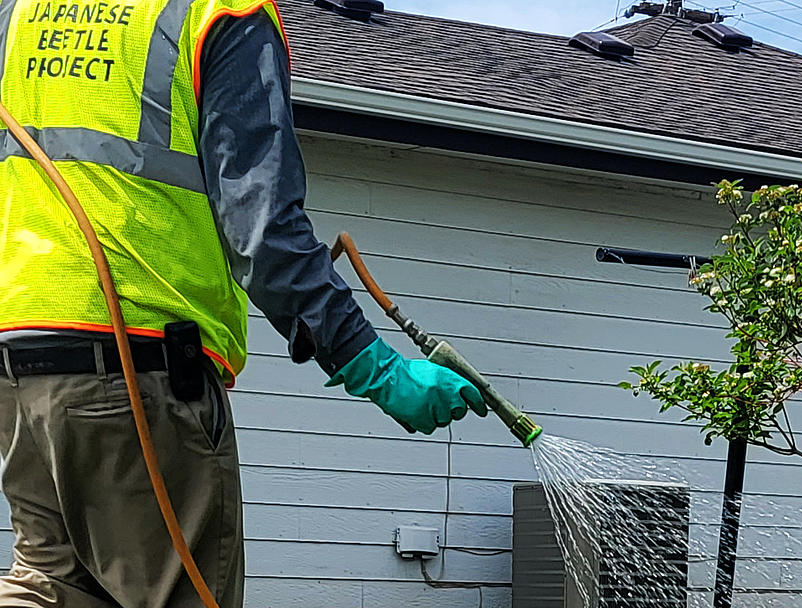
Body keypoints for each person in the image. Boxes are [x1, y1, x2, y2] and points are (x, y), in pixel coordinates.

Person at [0, 0, 485, 606]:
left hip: (20, 369)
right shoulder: (218, 12)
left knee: (48, 587)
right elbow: (263, 227)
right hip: (137, 370)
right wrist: (373, 367)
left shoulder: (24, 12)